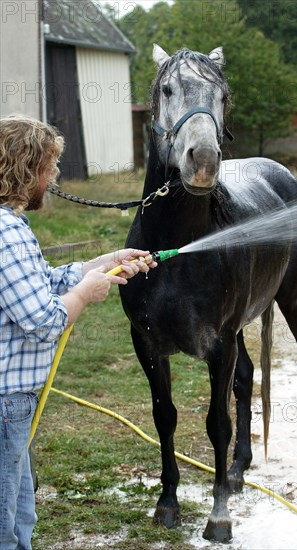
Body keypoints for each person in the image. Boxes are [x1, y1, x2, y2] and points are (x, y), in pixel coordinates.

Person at [0, 115, 156, 549]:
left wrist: (101, 263)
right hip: (5, 405)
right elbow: (43, 320)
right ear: (26, 168)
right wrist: (86, 294)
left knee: (19, 513)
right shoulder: (6, 232)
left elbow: (36, 285)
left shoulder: (9, 227)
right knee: (6, 527)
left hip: (11, 404)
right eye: (49, 166)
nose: (55, 176)